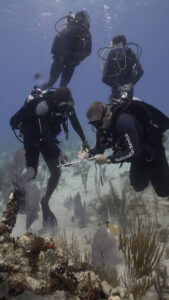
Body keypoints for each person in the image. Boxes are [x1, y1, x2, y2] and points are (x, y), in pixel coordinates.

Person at [10, 87, 88, 230]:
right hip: (32, 138)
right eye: (63, 105)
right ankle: (18, 197)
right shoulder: (42, 107)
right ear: (55, 101)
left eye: (69, 104)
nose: (66, 109)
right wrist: (60, 152)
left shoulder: (69, 107)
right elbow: (43, 134)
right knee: (32, 173)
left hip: (49, 141)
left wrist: (84, 139)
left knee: (56, 172)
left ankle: (44, 202)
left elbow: (75, 122)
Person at [78, 99, 169, 197]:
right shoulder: (101, 129)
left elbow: (133, 152)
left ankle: (159, 173)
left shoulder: (124, 122)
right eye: (93, 124)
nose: (97, 127)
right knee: (138, 185)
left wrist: (108, 159)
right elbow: (98, 150)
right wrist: (87, 155)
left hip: (152, 149)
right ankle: (153, 174)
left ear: (108, 115)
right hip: (138, 152)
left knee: (164, 192)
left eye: (98, 123)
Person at [41, 10, 92, 90]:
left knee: (62, 87)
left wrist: (78, 57)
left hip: (71, 64)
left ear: (86, 22)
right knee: (52, 83)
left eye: (83, 19)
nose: (81, 22)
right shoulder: (68, 27)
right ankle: (36, 96)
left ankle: (57, 100)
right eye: (80, 18)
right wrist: (61, 56)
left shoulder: (87, 34)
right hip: (60, 61)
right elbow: (56, 44)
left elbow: (88, 51)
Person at [102, 35, 144, 102]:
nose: (118, 53)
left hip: (129, 82)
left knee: (128, 102)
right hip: (116, 83)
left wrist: (131, 84)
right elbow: (104, 78)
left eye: (120, 49)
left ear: (124, 48)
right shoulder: (110, 58)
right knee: (115, 102)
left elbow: (141, 71)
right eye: (116, 50)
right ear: (113, 49)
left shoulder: (130, 55)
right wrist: (117, 87)